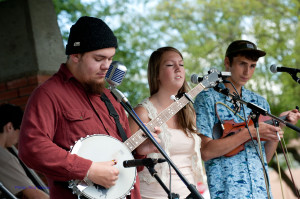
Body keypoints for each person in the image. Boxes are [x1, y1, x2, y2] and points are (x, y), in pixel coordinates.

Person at [18, 16, 160, 199]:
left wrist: (139, 150)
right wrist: (88, 169)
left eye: (110, 59)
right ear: (76, 55)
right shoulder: (48, 94)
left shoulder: (110, 98)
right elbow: (32, 147)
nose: (106, 66)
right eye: (99, 58)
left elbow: (121, 161)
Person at [194, 40, 300, 199]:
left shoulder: (260, 102)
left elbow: (264, 158)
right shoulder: (207, 99)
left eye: (252, 66)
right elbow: (206, 152)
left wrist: (280, 125)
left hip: (261, 193)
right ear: (227, 62)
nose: (247, 72)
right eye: (242, 64)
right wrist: (248, 133)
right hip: (228, 194)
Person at [128, 46, 206, 199]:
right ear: (156, 73)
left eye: (181, 64)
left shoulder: (189, 112)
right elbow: (124, 159)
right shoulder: (142, 113)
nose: (178, 69)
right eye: (170, 65)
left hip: (190, 194)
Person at [0, 103, 49, 199]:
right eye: (21, 131)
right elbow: (34, 195)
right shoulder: (4, 158)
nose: (20, 137)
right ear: (9, 127)